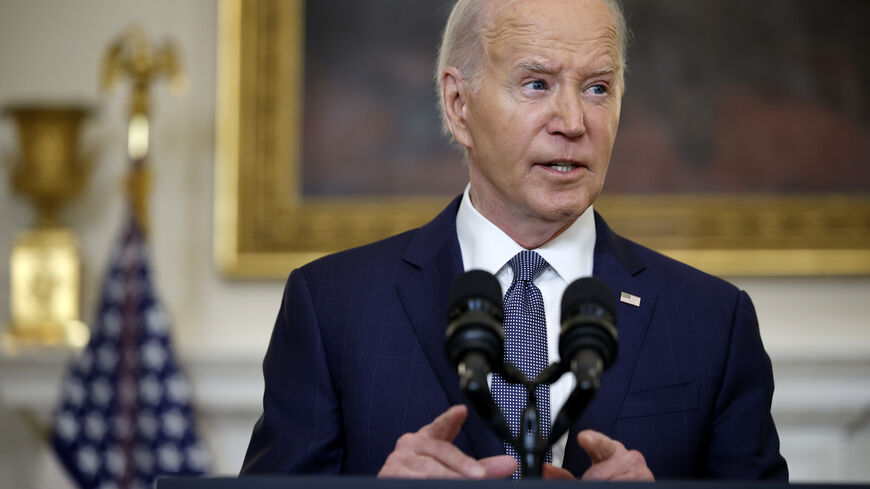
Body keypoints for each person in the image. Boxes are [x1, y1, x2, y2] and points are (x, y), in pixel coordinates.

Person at [241, 0, 789, 480]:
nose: (573, 121)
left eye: (598, 87)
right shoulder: (332, 307)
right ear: (459, 106)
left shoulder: (713, 321)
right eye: (537, 84)